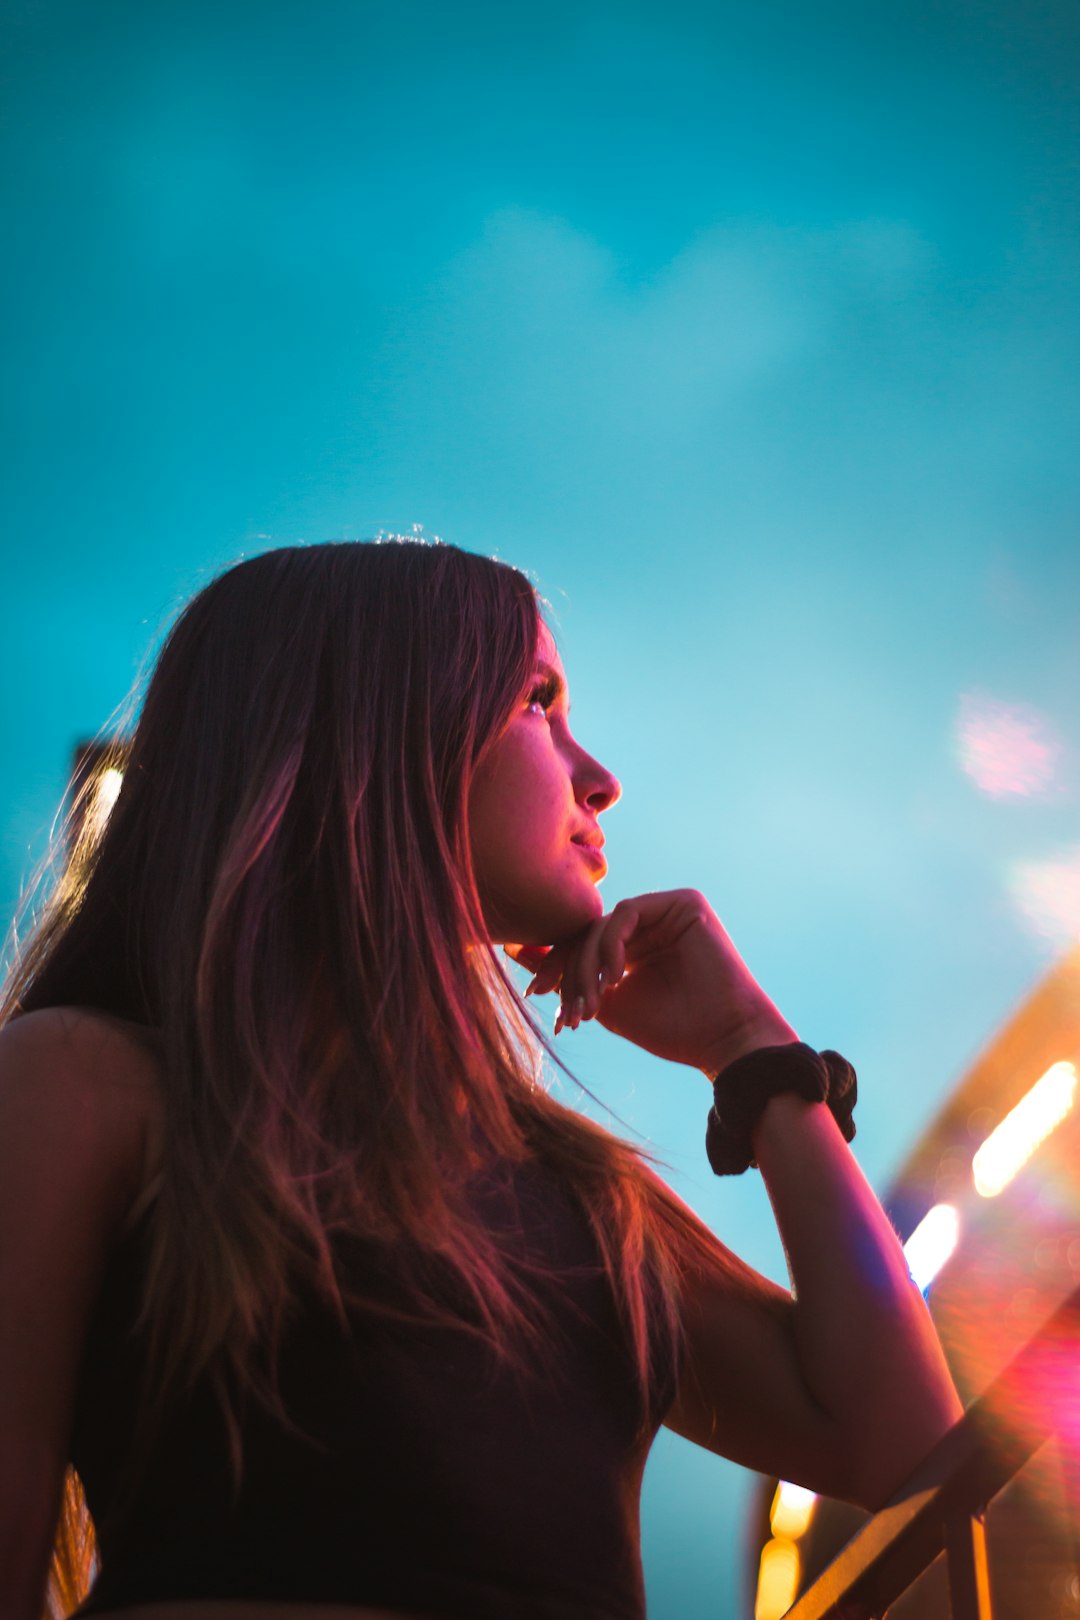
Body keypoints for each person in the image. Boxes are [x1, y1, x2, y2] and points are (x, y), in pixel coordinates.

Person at [0, 539, 961, 1620]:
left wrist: (750, 1046)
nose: (600, 777)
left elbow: (903, 1451)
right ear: (371, 733)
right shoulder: (88, 1083)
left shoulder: (590, 1200)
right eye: (536, 701)